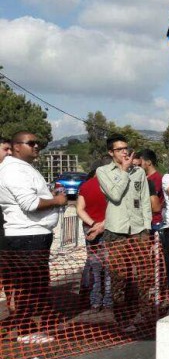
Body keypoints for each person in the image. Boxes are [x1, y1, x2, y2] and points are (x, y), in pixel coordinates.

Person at [0, 132, 67, 343]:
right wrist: (57, 201)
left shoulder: (22, 168)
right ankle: (26, 330)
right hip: (27, 235)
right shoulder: (14, 171)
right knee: (28, 287)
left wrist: (51, 198)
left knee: (34, 284)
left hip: (33, 234)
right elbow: (29, 204)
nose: (36, 146)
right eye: (31, 143)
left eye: (37, 143)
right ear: (16, 147)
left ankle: (31, 327)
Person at [96, 134, 152, 332]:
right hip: (116, 230)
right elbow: (115, 194)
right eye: (119, 149)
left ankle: (144, 314)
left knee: (145, 274)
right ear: (111, 152)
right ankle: (122, 319)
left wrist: (147, 226)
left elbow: (145, 200)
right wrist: (124, 171)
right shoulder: (103, 171)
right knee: (119, 277)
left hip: (138, 229)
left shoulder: (139, 172)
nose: (124, 152)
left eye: (126, 148)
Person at [76, 157, 112, 314]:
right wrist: (101, 225)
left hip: (89, 229)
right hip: (109, 229)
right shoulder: (112, 186)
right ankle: (108, 301)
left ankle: (95, 301)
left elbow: (79, 209)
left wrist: (92, 224)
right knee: (110, 269)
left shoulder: (85, 186)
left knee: (95, 268)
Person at [136, 149, 165, 233]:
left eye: (140, 163)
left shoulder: (156, 178)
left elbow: (151, 201)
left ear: (148, 162)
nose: (138, 166)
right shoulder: (144, 177)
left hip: (154, 221)